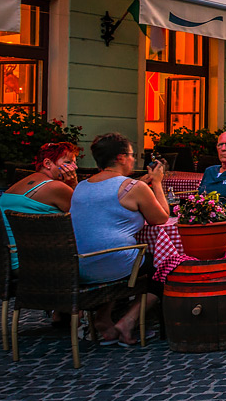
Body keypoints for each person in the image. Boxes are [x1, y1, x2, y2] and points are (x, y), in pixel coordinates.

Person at [70, 132, 169, 346]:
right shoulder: (133, 188)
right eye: (133, 155)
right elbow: (161, 217)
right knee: (165, 268)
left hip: (80, 264)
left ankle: (103, 319)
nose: (135, 159)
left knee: (124, 257)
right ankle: (128, 322)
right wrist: (158, 183)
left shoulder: (80, 187)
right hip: (113, 264)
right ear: (121, 157)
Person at [0, 141, 77, 270]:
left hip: (6, 262)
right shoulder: (55, 187)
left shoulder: (19, 184)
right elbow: (84, 217)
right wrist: (73, 184)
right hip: (35, 265)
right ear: (47, 164)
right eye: (68, 163)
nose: (75, 167)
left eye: (75, 163)